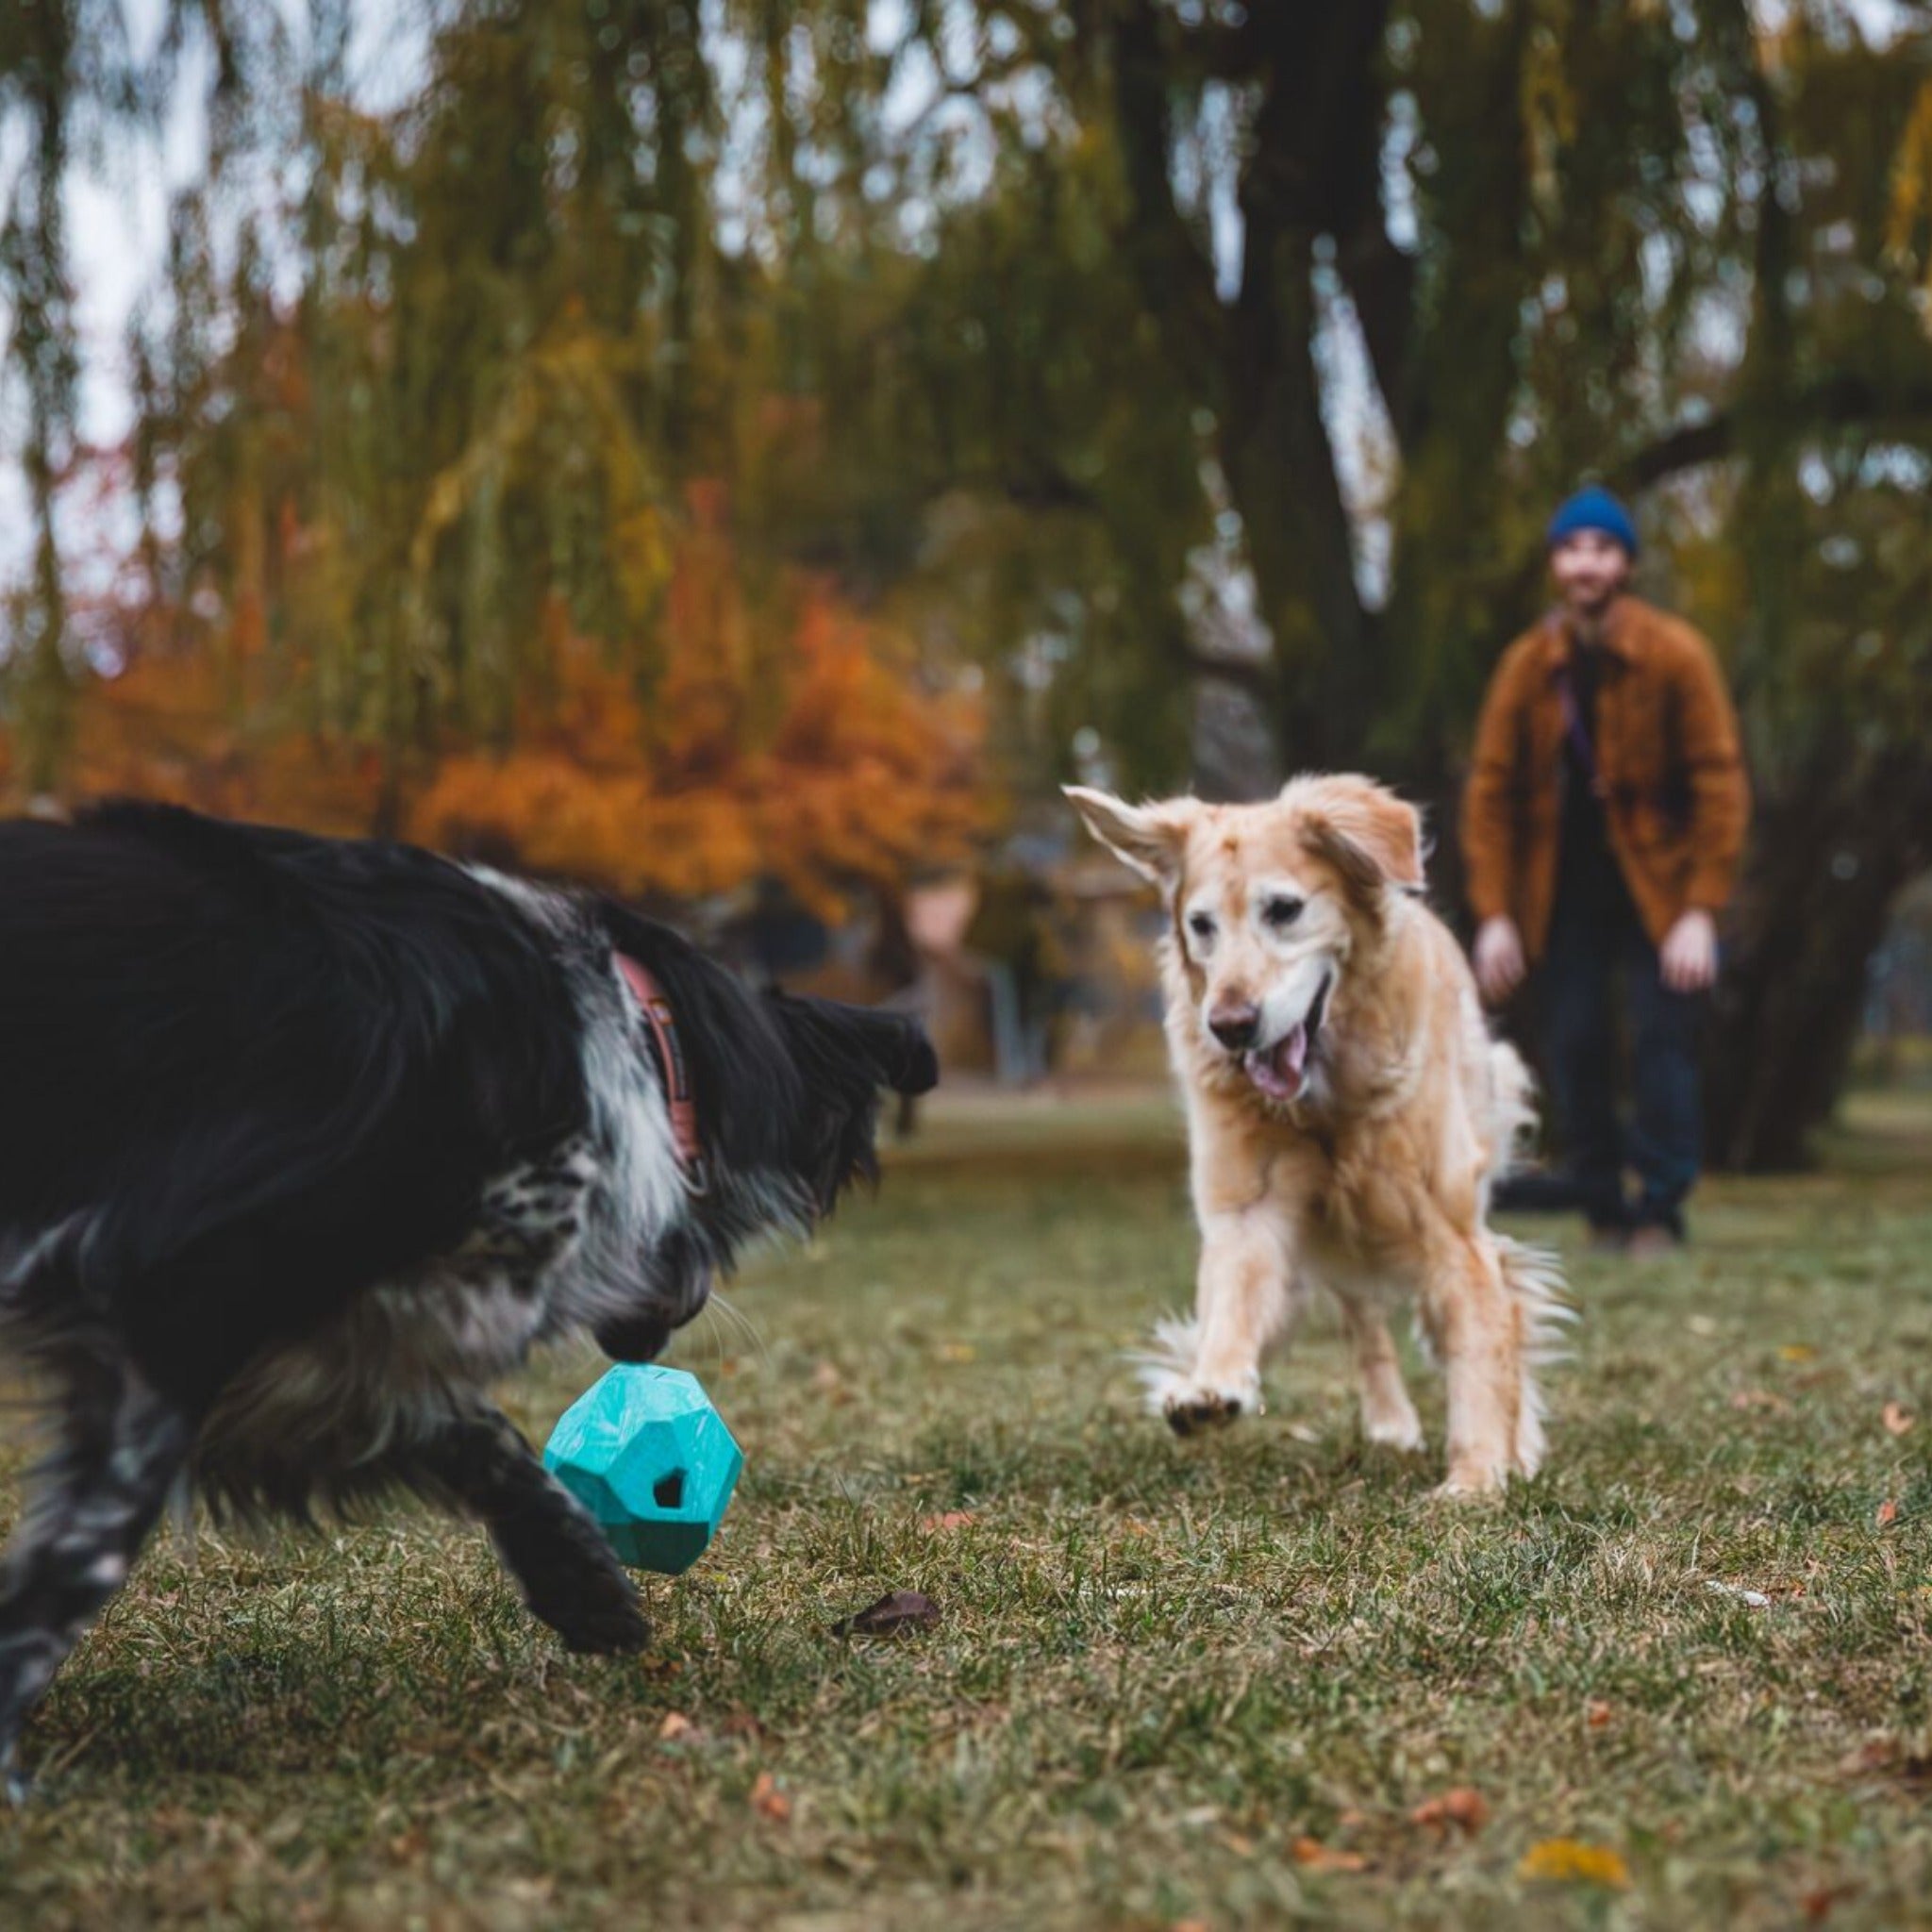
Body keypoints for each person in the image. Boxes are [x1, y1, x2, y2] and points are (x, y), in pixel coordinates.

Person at [1460, 485, 1751, 1254]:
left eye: (1602, 548)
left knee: (1663, 1044)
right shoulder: (1528, 667)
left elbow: (1719, 782)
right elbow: (1490, 793)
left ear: (1626, 563)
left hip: (1659, 890)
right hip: (1561, 895)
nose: (1586, 564)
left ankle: (1658, 1208)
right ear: (1556, 563)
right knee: (1576, 1045)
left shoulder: (1675, 654)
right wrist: (1495, 914)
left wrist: (1700, 909)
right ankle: (1600, 1202)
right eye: (1572, 548)